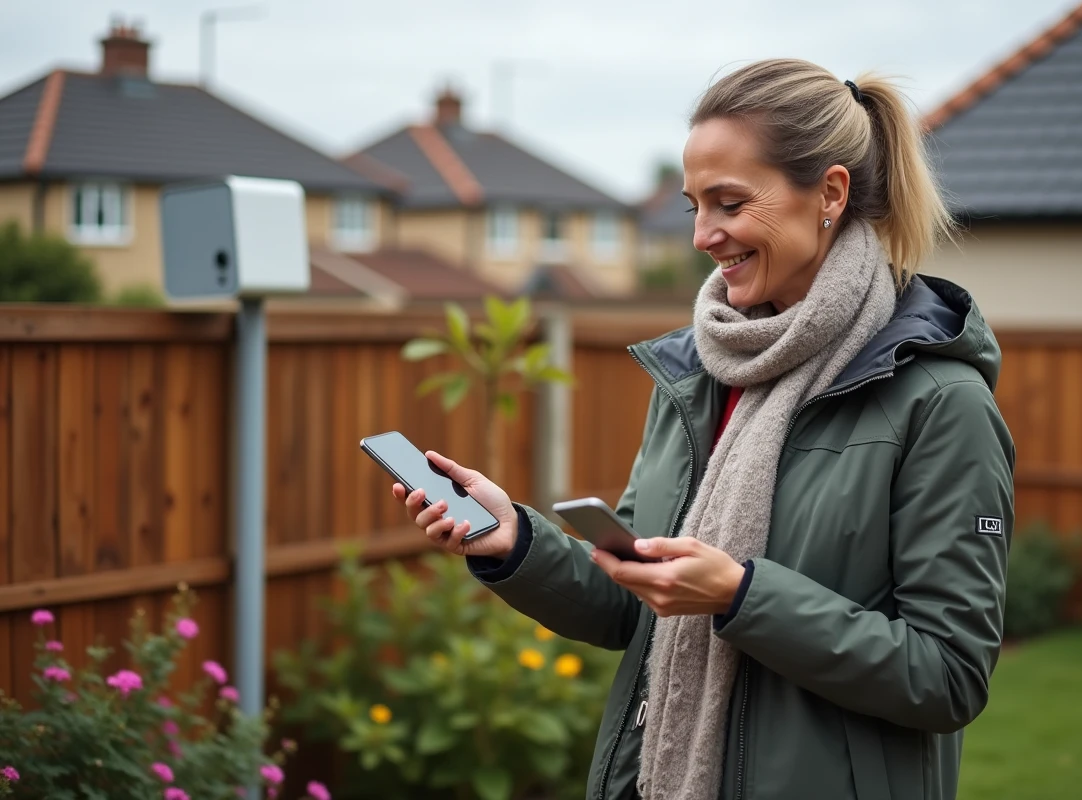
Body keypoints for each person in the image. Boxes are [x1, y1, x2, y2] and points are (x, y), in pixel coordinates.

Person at [393, 57, 1015, 800]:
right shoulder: (700, 373)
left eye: (728, 202)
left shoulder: (939, 403)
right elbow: (633, 603)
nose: (703, 236)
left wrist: (742, 596)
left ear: (830, 193)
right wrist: (513, 543)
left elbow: (947, 677)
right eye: (693, 206)